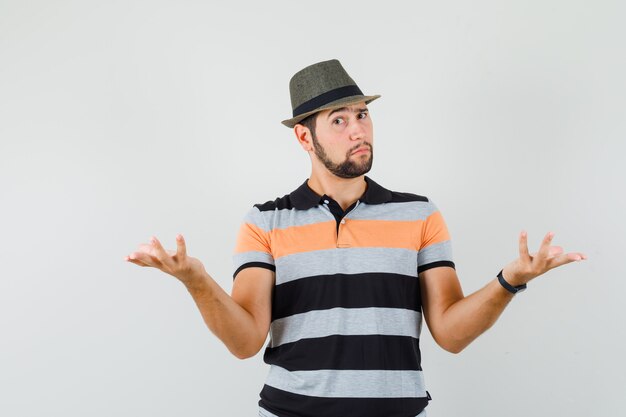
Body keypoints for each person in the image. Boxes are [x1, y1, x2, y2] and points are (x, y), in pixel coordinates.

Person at [125, 59, 587, 417]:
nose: (359, 130)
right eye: (339, 120)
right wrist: (197, 281)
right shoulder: (264, 222)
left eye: (362, 115)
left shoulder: (419, 214)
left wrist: (508, 280)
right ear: (305, 138)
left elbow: (449, 332)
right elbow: (246, 341)